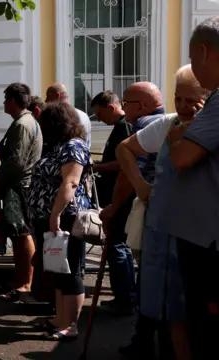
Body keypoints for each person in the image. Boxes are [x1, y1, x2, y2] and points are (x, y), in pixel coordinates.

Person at [117, 64, 207, 360]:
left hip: (198, 234)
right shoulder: (166, 124)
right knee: (157, 298)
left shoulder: (212, 129)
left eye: (192, 100)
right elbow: (124, 149)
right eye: (178, 99)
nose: (183, 107)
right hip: (161, 231)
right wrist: (141, 186)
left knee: (190, 308)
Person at [99, 82, 167, 360]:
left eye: (126, 102)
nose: (123, 107)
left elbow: (128, 174)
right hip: (168, 212)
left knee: (149, 277)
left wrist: (114, 207)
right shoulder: (168, 121)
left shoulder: (146, 126)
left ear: (142, 105)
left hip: (148, 211)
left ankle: (144, 341)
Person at [166, 16, 219, 360]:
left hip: (209, 242)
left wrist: (175, 138)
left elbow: (183, 157)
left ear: (202, 51)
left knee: (207, 328)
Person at [27, 102, 90, 341]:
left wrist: (55, 215)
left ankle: (70, 325)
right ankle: (60, 318)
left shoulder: (74, 146)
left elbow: (70, 183)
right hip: (52, 217)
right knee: (58, 269)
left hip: (66, 216)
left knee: (71, 270)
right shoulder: (60, 146)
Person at [0, 83, 42, 303]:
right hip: (20, 184)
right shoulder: (27, 122)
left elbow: (17, 161)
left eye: (5, 99)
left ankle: (26, 283)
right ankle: (22, 280)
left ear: (12, 100)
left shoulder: (22, 124)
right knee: (18, 233)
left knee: (22, 234)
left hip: (20, 185)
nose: (3, 103)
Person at [90, 91, 136, 315]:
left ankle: (125, 298)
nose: (99, 119)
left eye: (99, 114)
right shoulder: (120, 127)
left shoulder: (124, 127)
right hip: (116, 194)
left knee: (116, 246)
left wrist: (98, 167)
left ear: (110, 108)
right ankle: (126, 296)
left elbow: (122, 163)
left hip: (120, 196)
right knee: (120, 246)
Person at [45, 83, 92, 148]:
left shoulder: (57, 117)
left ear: (57, 95)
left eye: (48, 96)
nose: (46, 100)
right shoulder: (84, 115)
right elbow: (87, 143)